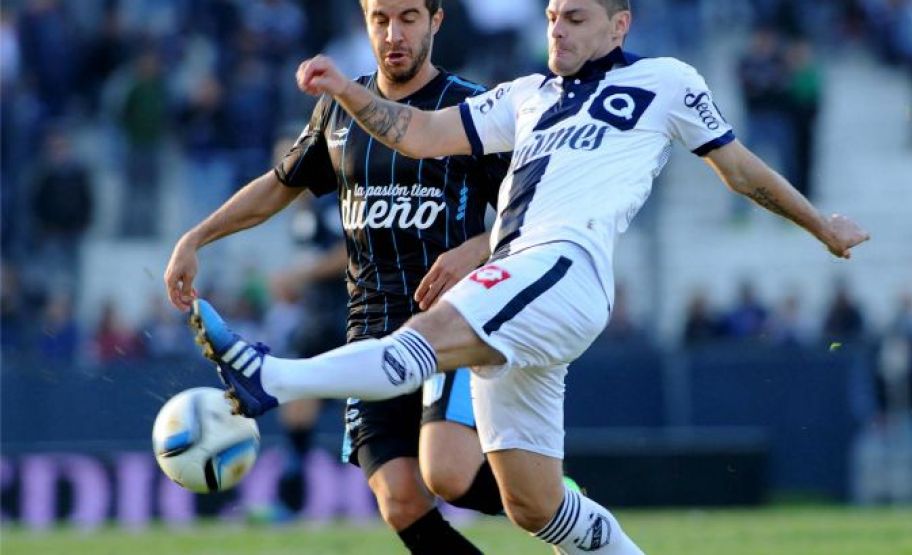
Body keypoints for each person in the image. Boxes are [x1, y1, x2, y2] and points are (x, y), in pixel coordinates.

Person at [186, 0, 870, 552]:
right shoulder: (522, 97)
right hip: (522, 286)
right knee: (531, 502)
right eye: (550, 16)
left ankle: (270, 377)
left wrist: (820, 225)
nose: (557, 28)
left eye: (575, 17)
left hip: (562, 266)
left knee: (420, 338)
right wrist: (344, 92)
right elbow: (418, 134)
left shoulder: (666, 79)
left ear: (618, 24)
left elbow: (740, 168)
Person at [164, 0, 511, 552]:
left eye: (409, 18)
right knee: (399, 500)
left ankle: (552, 500)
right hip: (366, 330)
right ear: (364, 21)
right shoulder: (340, 111)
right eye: (380, 19)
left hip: (451, 325)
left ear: (436, 20)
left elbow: (531, 213)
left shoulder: (472, 108)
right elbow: (280, 185)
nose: (394, 34)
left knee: (451, 476)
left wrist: (476, 247)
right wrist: (196, 237)